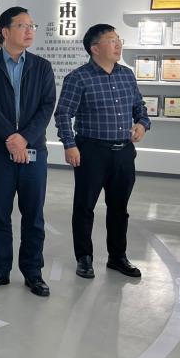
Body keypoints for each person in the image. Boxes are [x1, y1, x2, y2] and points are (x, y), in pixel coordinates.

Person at [54, 23, 150, 280]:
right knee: (85, 207)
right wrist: (69, 144)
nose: (118, 45)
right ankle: (84, 258)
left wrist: (142, 124)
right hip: (91, 152)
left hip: (123, 153)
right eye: (111, 40)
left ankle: (117, 257)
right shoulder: (78, 78)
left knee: (119, 208)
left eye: (118, 40)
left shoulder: (126, 75)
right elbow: (63, 114)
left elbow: (139, 107)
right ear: (95, 48)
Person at [0, 7, 56, 297]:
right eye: (22, 25)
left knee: (34, 215)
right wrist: (11, 138)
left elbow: (47, 106)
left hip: (34, 151)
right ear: (5, 32)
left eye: (32, 25)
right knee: (0, 213)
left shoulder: (42, 67)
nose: (29, 30)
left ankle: (33, 272)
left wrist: (24, 138)